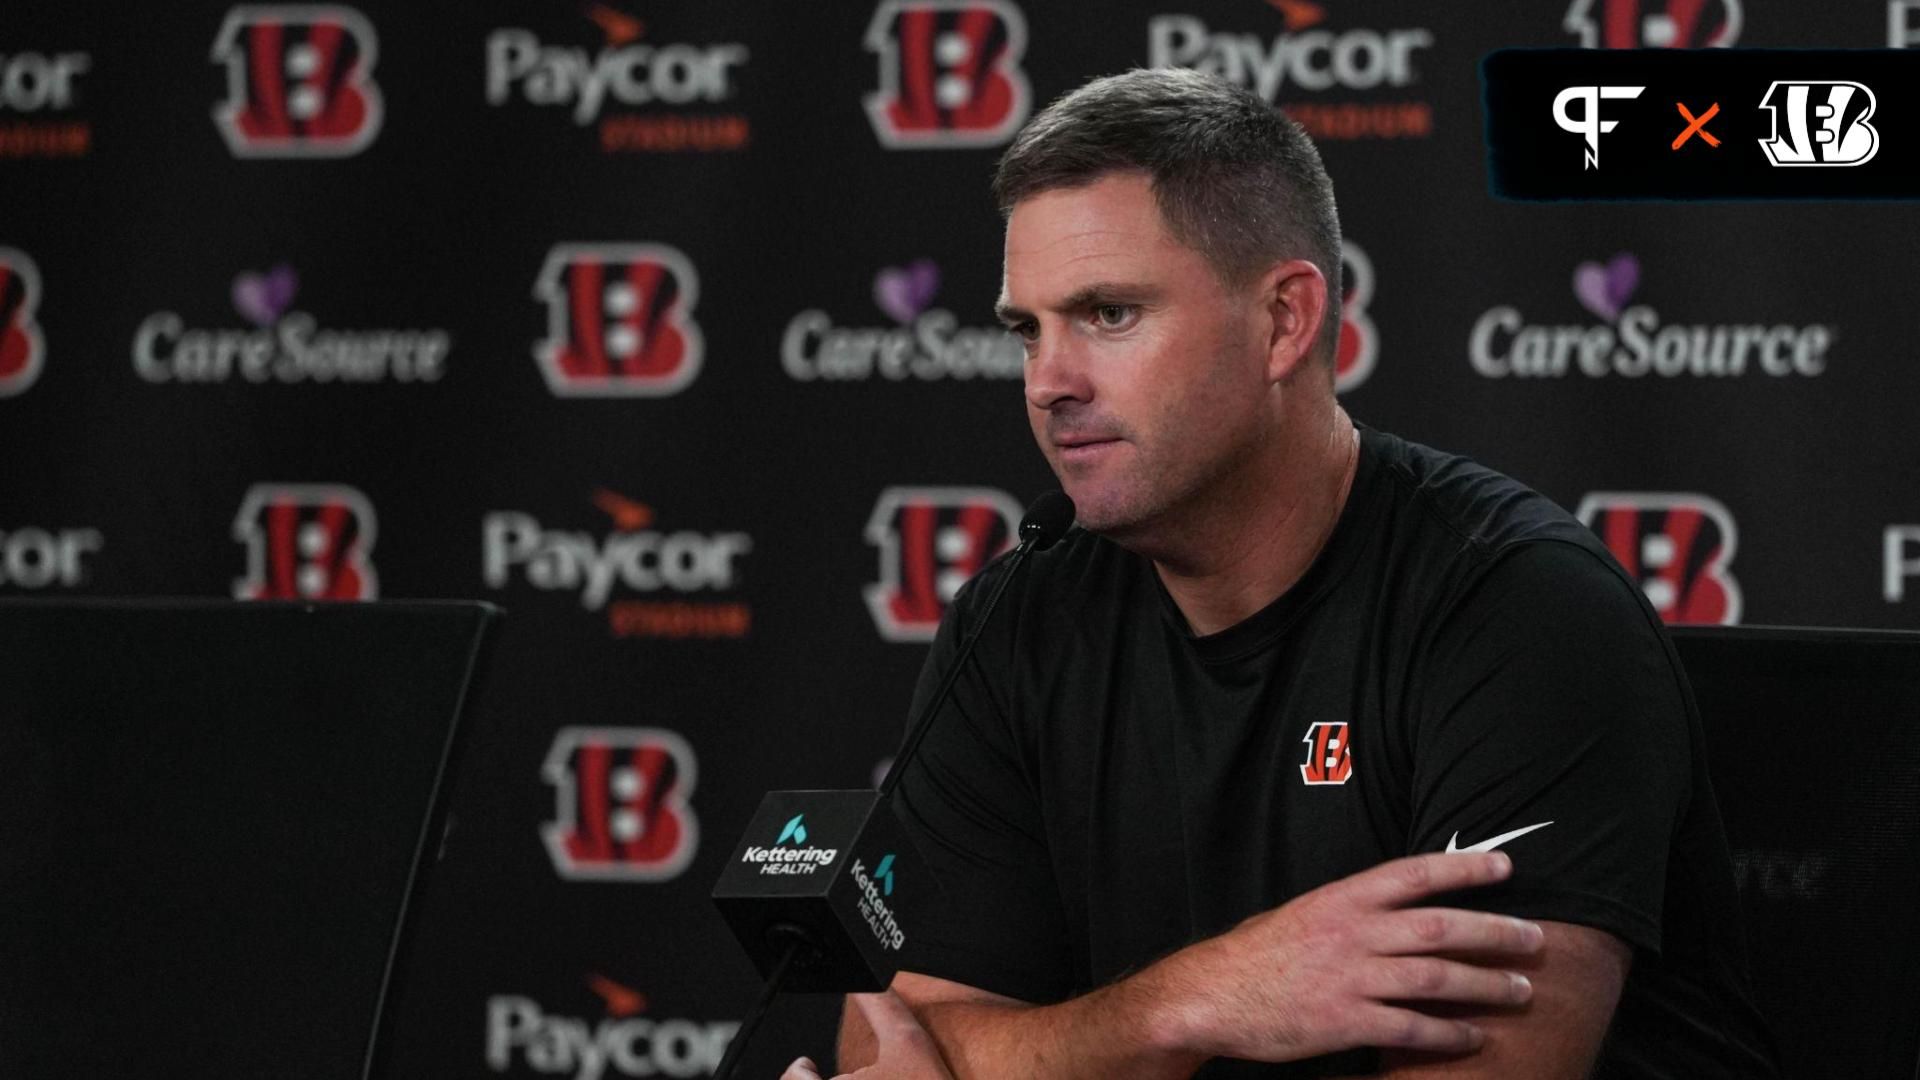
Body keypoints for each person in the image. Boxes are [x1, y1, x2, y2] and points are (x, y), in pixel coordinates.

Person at [792, 67, 1778, 1078]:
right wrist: (1184, 1007)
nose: (1050, 382)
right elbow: (892, 1046)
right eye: (1027, 329)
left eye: (1110, 314)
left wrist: (1041, 1058)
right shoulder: (1017, 620)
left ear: (1283, 322)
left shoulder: (1520, 609)